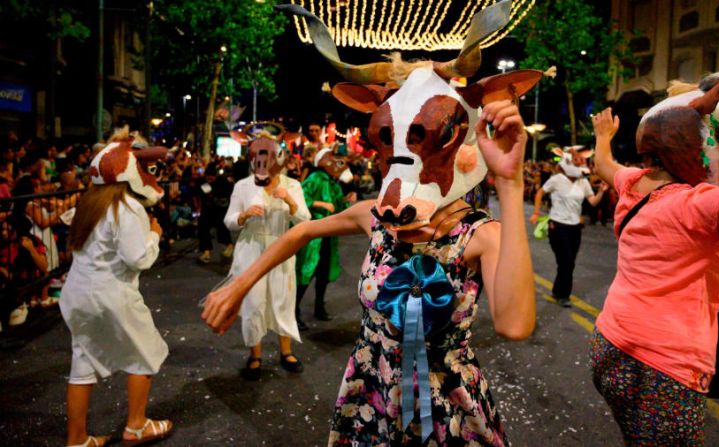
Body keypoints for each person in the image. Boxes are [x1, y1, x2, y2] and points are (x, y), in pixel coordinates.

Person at [203, 3, 537, 443]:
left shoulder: (479, 234)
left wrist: (510, 185)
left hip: (444, 409)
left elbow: (514, 326)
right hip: (370, 393)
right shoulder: (375, 218)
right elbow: (303, 230)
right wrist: (238, 284)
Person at [588, 60, 719, 445]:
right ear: (690, 150)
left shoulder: (634, 182)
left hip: (609, 343)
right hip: (663, 369)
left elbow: (603, 163)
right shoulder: (701, 206)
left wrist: (603, 135)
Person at [59, 140, 173, 447]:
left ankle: (77, 440)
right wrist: (154, 235)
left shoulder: (89, 201)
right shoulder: (128, 207)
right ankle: (136, 426)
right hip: (112, 294)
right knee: (146, 353)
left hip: (77, 294)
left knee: (81, 365)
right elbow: (137, 258)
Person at [224, 136, 310, 378]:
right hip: (251, 250)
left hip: (281, 248)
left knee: (283, 299)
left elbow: (305, 220)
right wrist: (243, 215)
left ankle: (286, 352)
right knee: (254, 303)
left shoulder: (293, 185)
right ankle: (255, 355)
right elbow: (229, 220)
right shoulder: (243, 186)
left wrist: (290, 201)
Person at [529, 146, 608, 307]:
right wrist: (536, 212)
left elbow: (592, 201)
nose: (579, 164)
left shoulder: (583, 182)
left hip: (575, 228)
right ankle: (563, 295)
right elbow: (540, 193)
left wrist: (601, 191)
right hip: (557, 226)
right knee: (566, 261)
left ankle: (558, 290)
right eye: (575, 160)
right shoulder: (557, 179)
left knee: (569, 262)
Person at [294, 148, 355, 328]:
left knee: (323, 273)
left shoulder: (332, 182)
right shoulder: (315, 179)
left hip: (327, 234)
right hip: (314, 234)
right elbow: (300, 199)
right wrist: (320, 203)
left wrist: (344, 200)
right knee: (306, 271)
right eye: (329, 157)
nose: (333, 160)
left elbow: (336, 206)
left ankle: (319, 307)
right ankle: (294, 311)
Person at [196, 164, 234, 263]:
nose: (210, 178)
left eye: (212, 176)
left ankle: (229, 246)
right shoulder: (202, 182)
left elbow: (228, 196)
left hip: (220, 210)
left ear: (216, 176)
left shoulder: (223, 181)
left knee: (222, 226)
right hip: (207, 210)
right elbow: (198, 196)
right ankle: (206, 252)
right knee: (202, 225)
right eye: (208, 176)